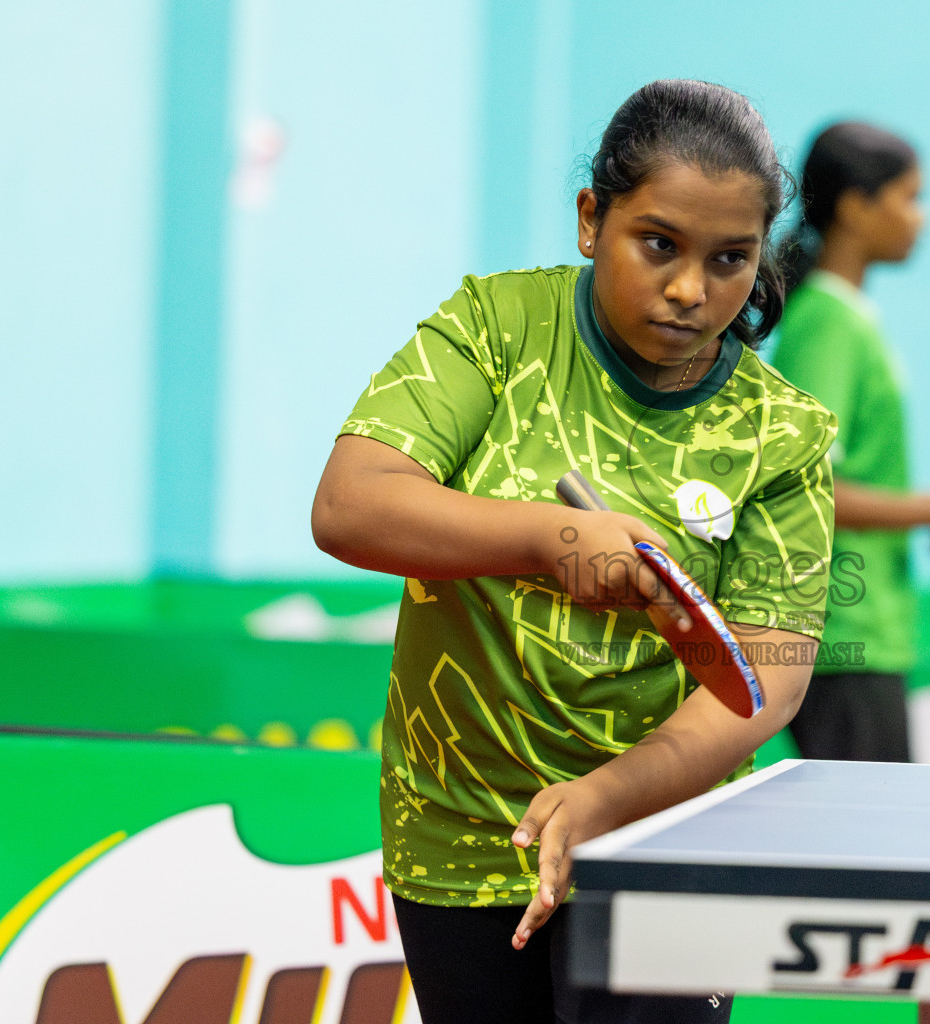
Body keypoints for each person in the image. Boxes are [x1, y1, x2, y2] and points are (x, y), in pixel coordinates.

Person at [311, 80, 837, 1023]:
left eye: (730, 260)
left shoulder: (783, 436)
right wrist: (551, 537)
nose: (690, 289)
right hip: (463, 826)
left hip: (666, 838)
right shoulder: (496, 329)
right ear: (593, 219)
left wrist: (609, 797)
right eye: (660, 244)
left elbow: (769, 678)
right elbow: (350, 506)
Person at [769, 122, 930, 763]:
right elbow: (804, 487)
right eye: (909, 197)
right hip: (841, 630)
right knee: (858, 856)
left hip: (868, 627)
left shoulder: (848, 316)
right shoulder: (826, 321)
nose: (921, 217)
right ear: (855, 206)